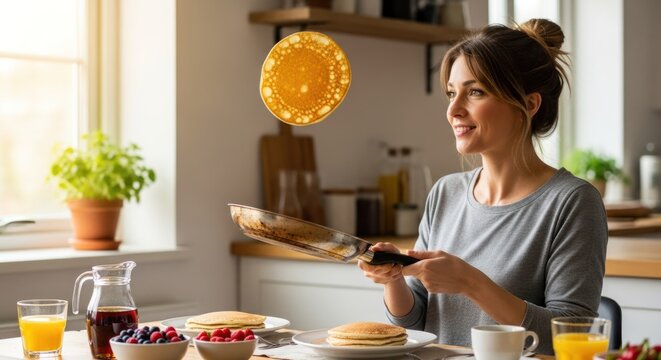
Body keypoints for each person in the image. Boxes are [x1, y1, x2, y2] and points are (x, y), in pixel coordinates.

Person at [358, 19, 608, 355]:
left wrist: (470, 283)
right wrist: (393, 279)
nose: (453, 109)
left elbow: (568, 339)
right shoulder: (444, 193)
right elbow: (414, 321)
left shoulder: (573, 202)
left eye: (475, 92)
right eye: (451, 92)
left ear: (529, 105)